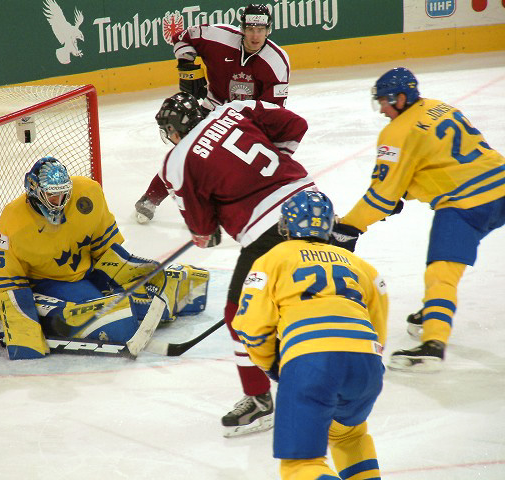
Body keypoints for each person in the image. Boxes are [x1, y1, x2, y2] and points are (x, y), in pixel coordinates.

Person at [154, 91, 314, 436]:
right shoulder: (235, 108)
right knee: (309, 299)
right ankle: (330, 370)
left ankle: (259, 400)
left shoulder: (177, 159)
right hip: (311, 204)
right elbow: (295, 124)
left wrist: (203, 232)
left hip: (268, 231)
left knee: (238, 314)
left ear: (176, 130)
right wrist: (274, 172)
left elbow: (204, 230)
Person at [330, 67, 505, 372]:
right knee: (446, 273)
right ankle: (435, 309)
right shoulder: (441, 106)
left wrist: (349, 225)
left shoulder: (395, 133)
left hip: (465, 206)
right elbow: (439, 161)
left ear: (401, 97)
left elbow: (382, 196)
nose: (382, 109)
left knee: (441, 274)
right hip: (500, 185)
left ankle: (433, 344)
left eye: (385, 101)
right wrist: (406, 192)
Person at [0, 156, 209, 360]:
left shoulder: (87, 193)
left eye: (64, 194)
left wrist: (132, 271)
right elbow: (2, 282)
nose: (60, 201)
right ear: (35, 193)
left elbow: (105, 247)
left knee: (157, 287)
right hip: (48, 284)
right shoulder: (12, 223)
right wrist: (21, 327)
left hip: (88, 272)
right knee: (119, 322)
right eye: (53, 196)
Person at [233, 190, 388, 480]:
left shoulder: (273, 258)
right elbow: (378, 324)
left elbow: (251, 326)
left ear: (286, 226)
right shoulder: (362, 267)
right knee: (349, 437)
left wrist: (273, 365)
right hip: (366, 366)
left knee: (300, 464)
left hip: (311, 362)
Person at [135, 3, 291, 224]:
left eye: (261, 30)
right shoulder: (217, 36)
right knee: (186, 153)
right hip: (212, 108)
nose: (255, 36)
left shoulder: (277, 61)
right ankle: (151, 198)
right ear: (242, 28)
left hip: (248, 122)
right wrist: (186, 66)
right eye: (250, 29)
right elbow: (182, 37)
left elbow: (273, 112)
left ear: (269, 30)